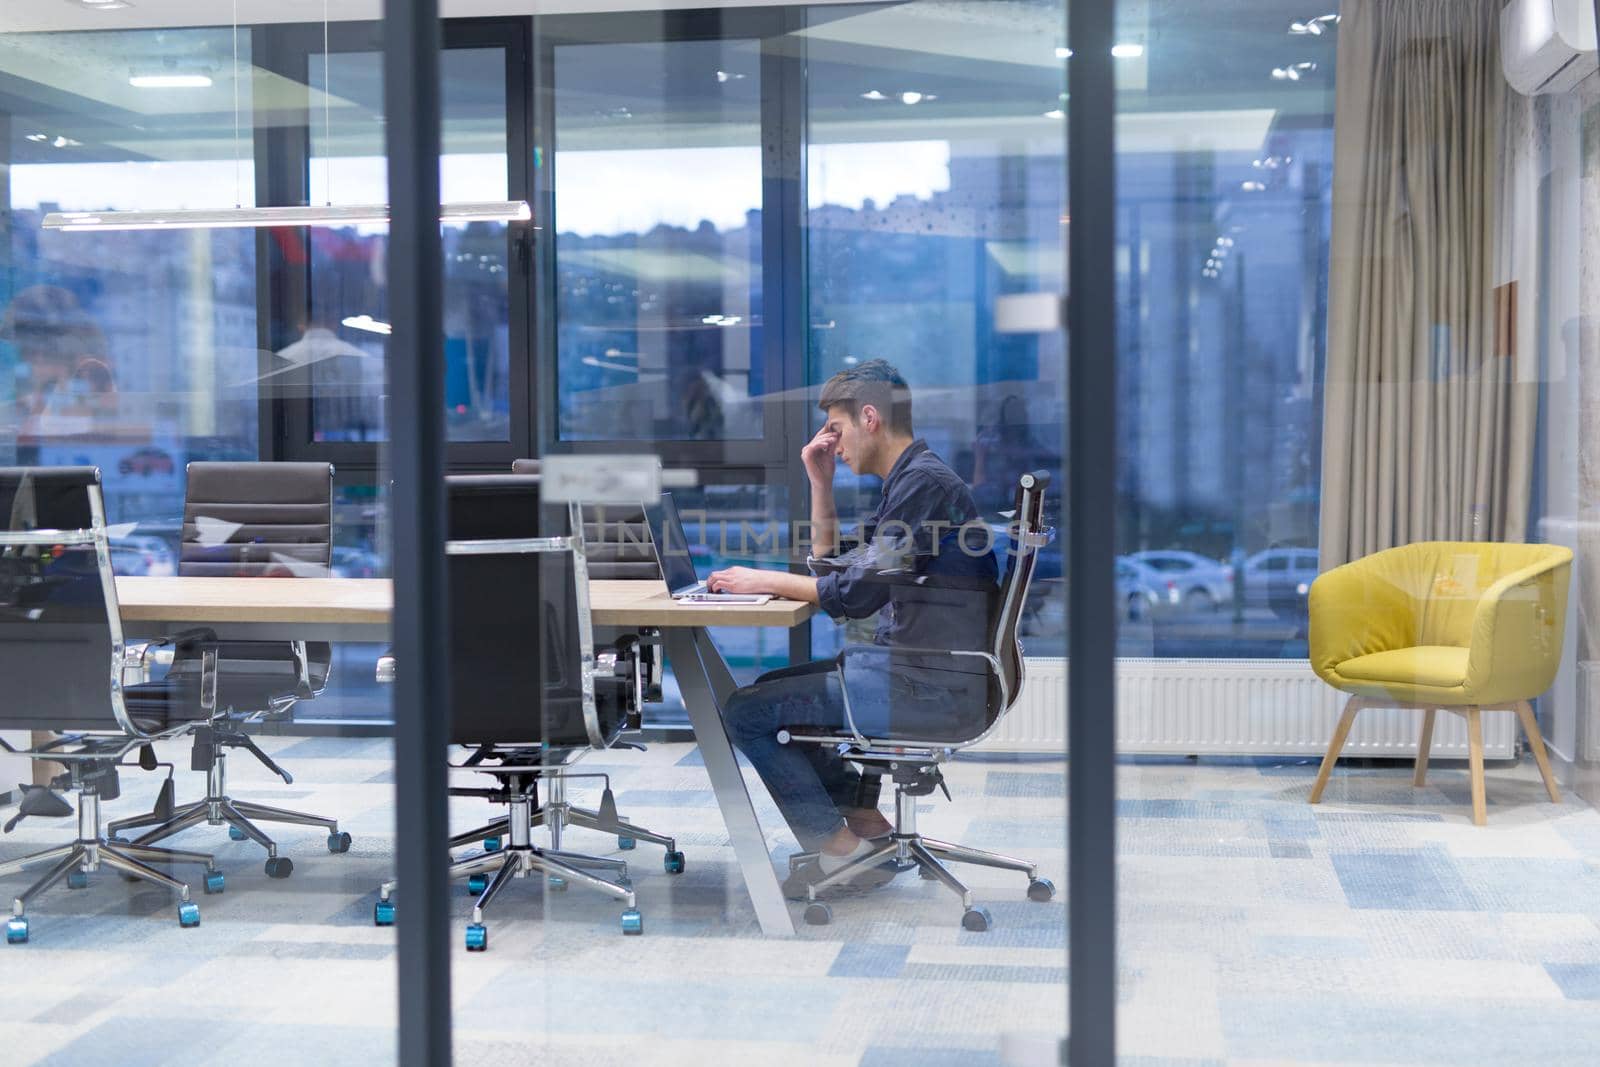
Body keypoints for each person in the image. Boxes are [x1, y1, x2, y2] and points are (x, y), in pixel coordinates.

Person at [707, 359, 999, 896]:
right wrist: (821, 482)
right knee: (769, 693)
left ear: (870, 418)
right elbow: (840, 567)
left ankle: (842, 851)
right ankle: (865, 828)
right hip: (920, 675)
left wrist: (760, 577)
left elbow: (853, 597)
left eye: (836, 430)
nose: (831, 443)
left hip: (927, 688)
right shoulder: (912, 480)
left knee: (747, 713)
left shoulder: (923, 486)